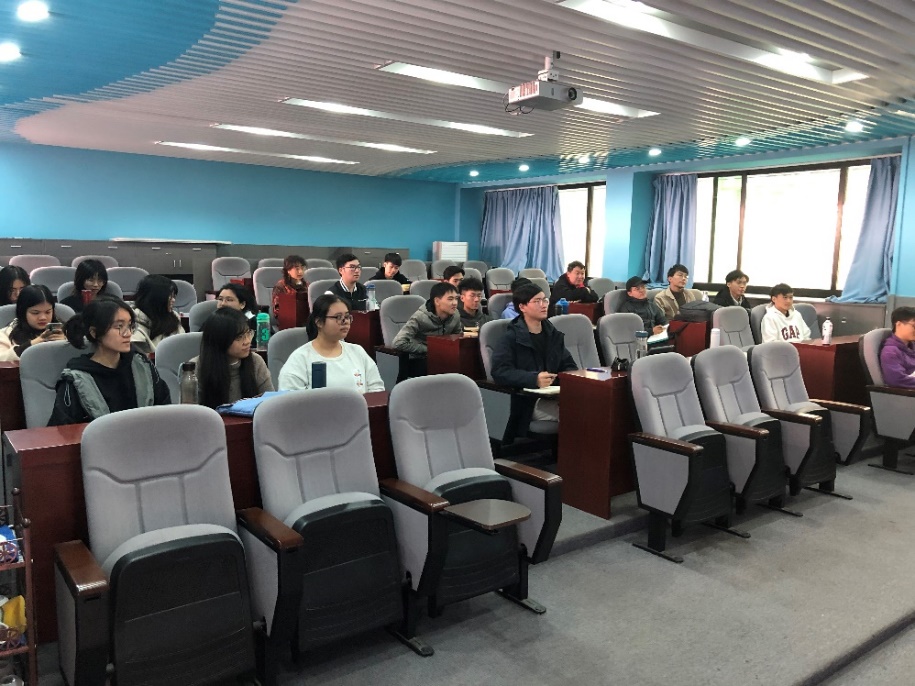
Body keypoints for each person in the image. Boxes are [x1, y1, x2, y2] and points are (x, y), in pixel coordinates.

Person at [48, 296, 171, 425]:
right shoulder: (75, 380)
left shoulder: (142, 365)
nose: (128, 333)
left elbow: (165, 412)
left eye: (130, 326)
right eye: (119, 327)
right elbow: (63, 430)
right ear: (94, 332)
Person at [491, 283, 577, 438]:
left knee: (590, 405)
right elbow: (500, 371)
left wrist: (562, 380)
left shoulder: (553, 334)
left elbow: (569, 365)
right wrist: (534, 379)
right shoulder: (511, 338)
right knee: (579, 413)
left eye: (545, 300)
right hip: (529, 402)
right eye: (537, 301)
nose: (543, 305)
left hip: (555, 396)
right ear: (522, 306)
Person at [278, 294, 384, 393]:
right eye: (338, 317)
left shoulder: (357, 351)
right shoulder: (300, 359)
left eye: (347, 316)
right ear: (319, 322)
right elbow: (290, 400)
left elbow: (377, 390)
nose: (345, 321)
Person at [193, 308, 273, 408]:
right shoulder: (196, 368)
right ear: (220, 339)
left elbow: (270, 404)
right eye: (239, 337)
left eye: (248, 333)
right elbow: (191, 412)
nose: (247, 341)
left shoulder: (256, 361)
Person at [392, 281, 462, 375]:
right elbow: (398, 342)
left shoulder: (455, 314)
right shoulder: (420, 317)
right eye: (450, 299)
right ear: (437, 301)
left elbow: (458, 337)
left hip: (443, 357)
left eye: (456, 299)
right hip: (420, 359)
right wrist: (430, 349)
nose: (455, 303)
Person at [0, 285, 66, 361]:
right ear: (23, 312)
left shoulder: (66, 331)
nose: (43, 317)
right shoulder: (6, 334)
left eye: (48, 312)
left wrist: (66, 343)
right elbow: (2, 357)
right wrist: (33, 343)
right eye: (35, 313)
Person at [131, 274, 185, 354]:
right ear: (156, 298)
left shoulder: (174, 317)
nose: (173, 300)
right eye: (170, 297)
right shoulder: (132, 320)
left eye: (174, 296)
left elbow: (182, 345)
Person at [880, 306, 915, 389]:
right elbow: (897, 380)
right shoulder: (890, 352)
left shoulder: (912, 345)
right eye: (914, 326)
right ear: (899, 324)